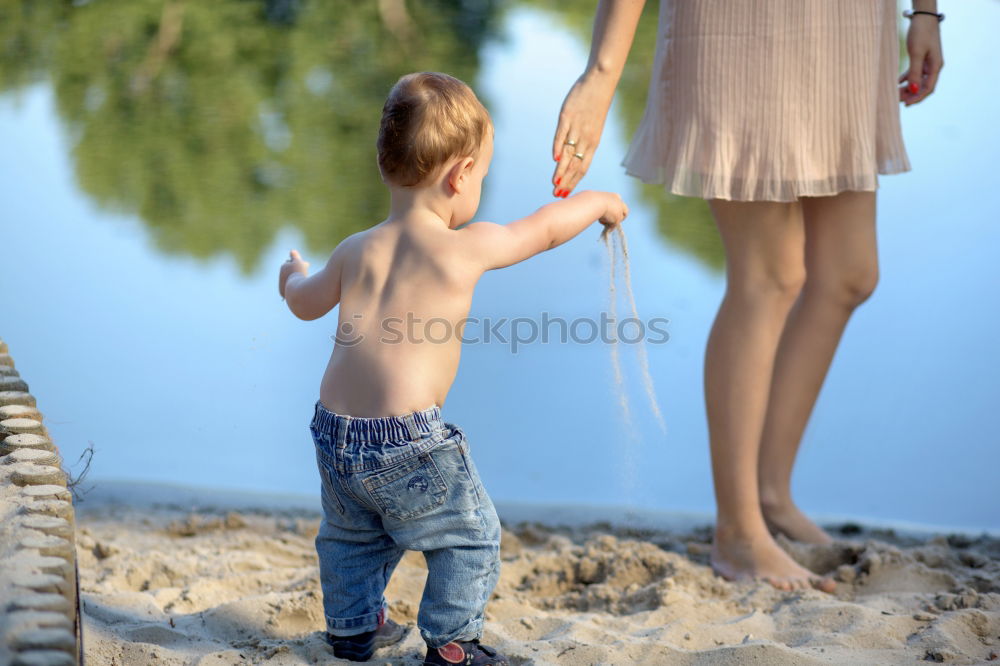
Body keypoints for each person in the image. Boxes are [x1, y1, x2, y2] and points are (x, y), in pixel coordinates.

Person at [550, 0, 944, 591]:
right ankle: (738, 531)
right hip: (746, 26)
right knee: (769, 276)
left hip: (851, 25)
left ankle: (770, 496)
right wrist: (600, 75)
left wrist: (926, 12)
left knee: (848, 275)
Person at [277, 71, 628, 664]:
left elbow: (304, 304)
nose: (480, 188)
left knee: (351, 536)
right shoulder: (464, 247)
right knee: (470, 535)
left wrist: (290, 274)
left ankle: (352, 628)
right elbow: (541, 231)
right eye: (482, 176)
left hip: (333, 434)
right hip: (407, 441)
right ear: (460, 174)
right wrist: (598, 202)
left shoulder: (356, 248)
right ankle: (452, 644)